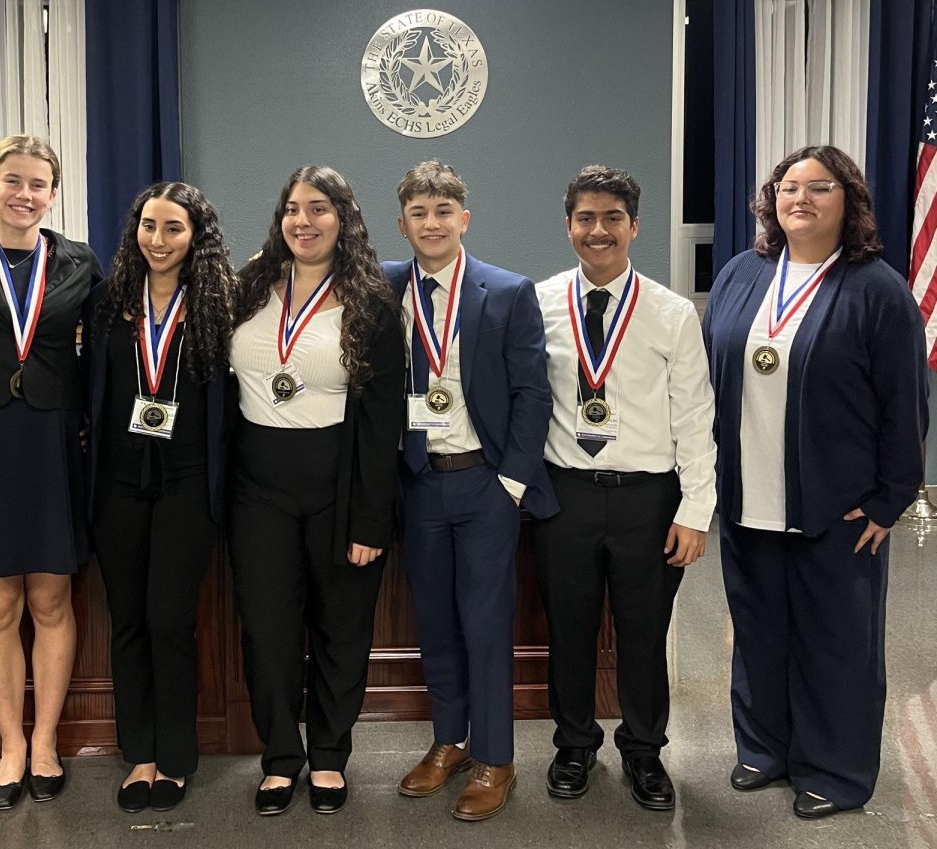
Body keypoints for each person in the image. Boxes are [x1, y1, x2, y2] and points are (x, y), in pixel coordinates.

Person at [704, 145, 927, 819]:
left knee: (837, 642)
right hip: (748, 498)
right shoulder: (743, 273)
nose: (800, 197)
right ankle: (765, 747)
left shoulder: (877, 289)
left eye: (818, 187)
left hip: (838, 505)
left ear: (847, 200)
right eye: (788, 186)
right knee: (759, 628)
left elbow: (906, 403)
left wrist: (891, 498)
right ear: (770, 201)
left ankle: (834, 768)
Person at [533, 165, 716, 812]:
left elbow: (695, 416)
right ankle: (574, 744)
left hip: (648, 498)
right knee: (571, 629)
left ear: (634, 226)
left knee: (644, 631)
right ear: (568, 226)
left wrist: (695, 511)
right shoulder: (541, 301)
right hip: (565, 496)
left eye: (613, 218)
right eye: (586, 217)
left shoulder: (670, 313)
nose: (599, 230)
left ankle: (643, 750)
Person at [0, 135, 103, 810]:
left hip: (54, 438)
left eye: (38, 183)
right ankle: (9, 745)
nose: (24, 193)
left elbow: (108, 353)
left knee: (51, 600)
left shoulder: (80, 262)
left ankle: (46, 742)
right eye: (12, 180)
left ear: (53, 194)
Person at [228, 165, 404, 815]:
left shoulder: (371, 298)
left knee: (341, 630)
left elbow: (385, 419)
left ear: (344, 219)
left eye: (320, 208)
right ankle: (279, 758)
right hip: (257, 490)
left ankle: (328, 755)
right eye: (294, 208)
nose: (304, 220)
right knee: (268, 631)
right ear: (280, 219)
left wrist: (369, 520)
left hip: (339, 485)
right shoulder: (248, 286)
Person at [387, 160, 556, 822]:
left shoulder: (507, 291)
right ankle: (449, 742)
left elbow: (532, 391)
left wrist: (511, 483)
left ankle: (496, 757)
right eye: (419, 213)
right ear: (403, 223)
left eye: (444, 211)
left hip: (486, 482)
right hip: (420, 484)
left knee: (485, 625)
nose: (432, 223)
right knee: (435, 622)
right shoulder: (384, 288)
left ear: (465, 217)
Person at [83, 182, 234, 813]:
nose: (158, 240)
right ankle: (137, 754)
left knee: (170, 622)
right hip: (118, 484)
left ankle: (174, 757)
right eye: (148, 226)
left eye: (173, 228)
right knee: (130, 623)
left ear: (195, 236)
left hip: (188, 483)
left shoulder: (221, 305)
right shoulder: (108, 301)